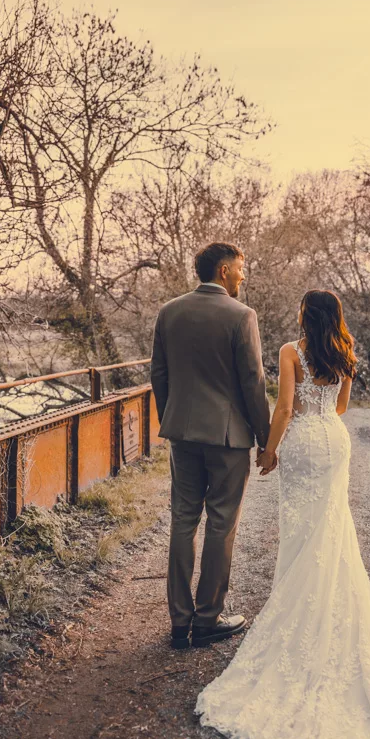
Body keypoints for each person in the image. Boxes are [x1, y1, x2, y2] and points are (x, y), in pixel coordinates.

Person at [195, 289, 370, 739]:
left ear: (305, 314)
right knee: (332, 530)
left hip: (305, 443)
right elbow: (343, 406)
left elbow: (285, 408)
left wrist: (269, 450)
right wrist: (322, 413)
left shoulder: (292, 351)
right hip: (334, 440)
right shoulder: (346, 350)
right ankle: (327, 604)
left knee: (304, 532)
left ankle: (299, 607)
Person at [150, 241, 271, 650]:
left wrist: (173, 419)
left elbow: (159, 374)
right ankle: (207, 619)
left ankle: (178, 622)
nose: (243, 275)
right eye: (240, 267)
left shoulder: (169, 312)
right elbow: (253, 382)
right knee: (221, 524)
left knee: (183, 520)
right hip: (227, 438)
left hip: (183, 434)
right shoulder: (242, 315)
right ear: (223, 270)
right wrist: (265, 438)